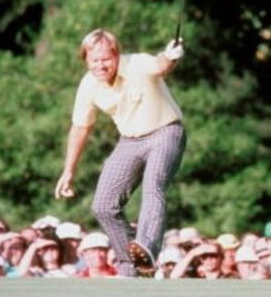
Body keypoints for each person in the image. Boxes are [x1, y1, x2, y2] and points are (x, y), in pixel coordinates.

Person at [54, 29, 186, 278]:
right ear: (86, 60)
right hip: (130, 141)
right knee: (103, 205)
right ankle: (131, 266)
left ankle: (147, 247)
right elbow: (81, 126)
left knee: (153, 185)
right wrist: (69, 170)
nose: (100, 65)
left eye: (106, 59)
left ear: (116, 55)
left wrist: (171, 54)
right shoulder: (88, 84)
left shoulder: (136, 63)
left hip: (166, 132)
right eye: (94, 60)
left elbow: (160, 66)